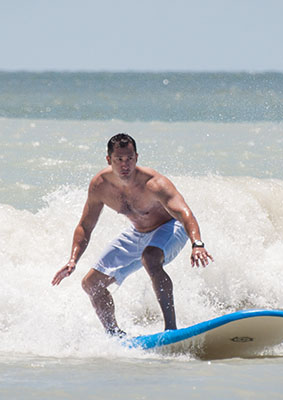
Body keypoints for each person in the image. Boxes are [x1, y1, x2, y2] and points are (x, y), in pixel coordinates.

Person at [51, 133, 213, 336]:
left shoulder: (154, 183)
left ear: (137, 157)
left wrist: (197, 243)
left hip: (171, 227)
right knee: (91, 284)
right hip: (138, 233)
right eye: (119, 159)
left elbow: (184, 212)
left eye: (129, 158)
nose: (125, 164)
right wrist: (73, 259)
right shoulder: (100, 185)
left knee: (150, 257)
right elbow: (85, 225)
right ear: (109, 160)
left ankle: (171, 330)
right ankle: (115, 336)